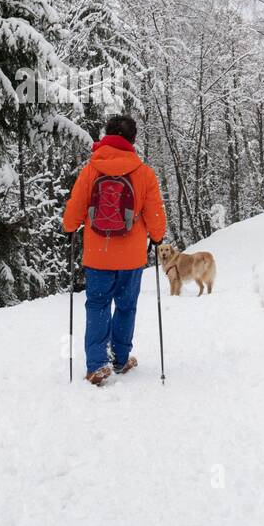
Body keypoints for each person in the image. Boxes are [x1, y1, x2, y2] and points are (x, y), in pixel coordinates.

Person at [62, 115, 167, 385]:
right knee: (126, 306)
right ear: (132, 141)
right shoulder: (143, 172)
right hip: (131, 258)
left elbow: (74, 210)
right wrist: (157, 237)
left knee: (97, 305)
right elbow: (155, 214)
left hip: (98, 255)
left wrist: (71, 227)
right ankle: (120, 359)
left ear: (107, 136)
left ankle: (97, 364)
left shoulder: (91, 170)